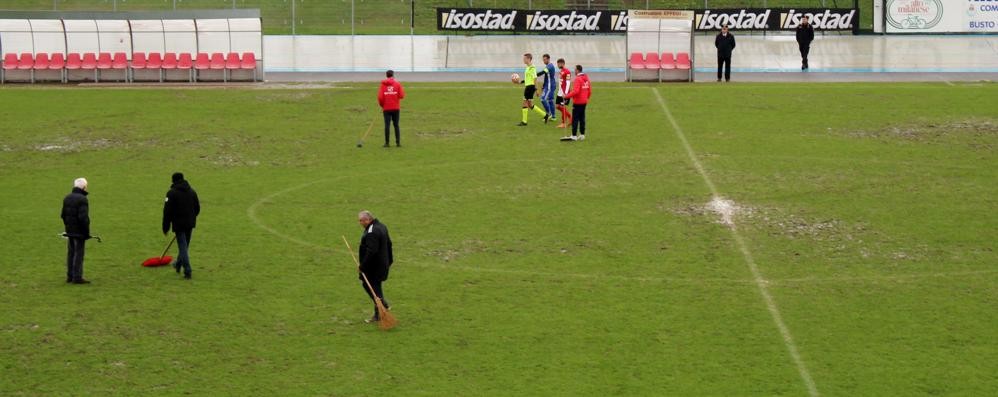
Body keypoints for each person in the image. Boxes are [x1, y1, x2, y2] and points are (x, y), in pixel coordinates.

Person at [356, 210, 393, 323]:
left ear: (368, 220)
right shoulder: (382, 226)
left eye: (361, 221)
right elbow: (389, 244)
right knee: (376, 287)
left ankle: (382, 305)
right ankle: (379, 313)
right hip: (382, 264)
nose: (360, 223)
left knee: (370, 286)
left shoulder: (372, 232)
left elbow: (371, 251)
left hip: (374, 267)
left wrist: (362, 266)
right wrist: (390, 260)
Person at [163, 172, 200, 280]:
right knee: (184, 246)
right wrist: (192, 217)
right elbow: (197, 208)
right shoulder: (192, 191)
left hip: (179, 224)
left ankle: (187, 270)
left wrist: (165, 227)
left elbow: (167, 212)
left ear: (173, 181)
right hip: (190, 223)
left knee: (183, 247)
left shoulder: (171, 193)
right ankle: (178, 264)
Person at [61, 177, 91, 284]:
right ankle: (77, 277)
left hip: (69, 230)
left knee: (71, 253)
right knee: (79, 254)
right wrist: (86, 233)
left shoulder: (67, 198)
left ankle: (70, 276)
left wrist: (68, 227)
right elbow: (83, 218)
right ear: (84, 187)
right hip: (79, 232)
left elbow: (63, 215)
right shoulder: (83, 199)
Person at [517, 53, 548, 126]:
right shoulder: (528, 67)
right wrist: (521, 82)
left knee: (524, 103)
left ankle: (524, 122)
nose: (523, 60)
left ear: (528, 59)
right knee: (530, 105)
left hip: (530, 87)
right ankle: (545, 115)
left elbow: (535, 78)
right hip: (529, 86)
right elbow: (528, 78)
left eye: (524, 59)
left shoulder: (532, 68)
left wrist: (537, 89)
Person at [377, 69, 405, 147]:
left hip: (386, 109)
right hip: (396, 108)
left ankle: (387, 143)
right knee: (396, 125)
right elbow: (402, 96)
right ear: (393, 75)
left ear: (386, 76)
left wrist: (382, 105)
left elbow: (380, 97)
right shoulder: (397, 84)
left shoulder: (383, 85)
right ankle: (398, 143)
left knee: (387, 125)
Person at [564, 64, 591, 141]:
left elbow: (576, 91)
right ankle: (582, 134)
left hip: (578, 102)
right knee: (582, 118)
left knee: (575, 118)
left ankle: (574, 135)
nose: (574, 71)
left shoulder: (577, 79)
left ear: (577, 70)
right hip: (584, 102)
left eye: (575, 69)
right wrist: (586, 98)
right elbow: (590, 91)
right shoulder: (586, 78)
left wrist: (566, 96)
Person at [536, 54, 558, 123]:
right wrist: (543, 85)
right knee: (550, 100)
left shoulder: (550, 66)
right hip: (549, 85)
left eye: (545, 59)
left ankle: (549, 114)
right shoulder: (548, 66)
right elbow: (546, 77)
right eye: (543, 59)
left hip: (550, 86)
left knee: (543, 99)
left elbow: (543, 72)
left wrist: (534, 75)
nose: (544, 61)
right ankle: (553, 117)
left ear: (548, 59)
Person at [555, 58, 573, 129]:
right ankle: (570, 117)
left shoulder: (567, 71)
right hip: (560, 92)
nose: (558, 65)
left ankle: (563, 123)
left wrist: (565, 93)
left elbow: (568, 82)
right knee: (557, 106)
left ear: (562, 63)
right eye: (557, 64)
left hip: (565, 93)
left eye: (559, 64)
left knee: (562, 107)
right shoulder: (561, 71)